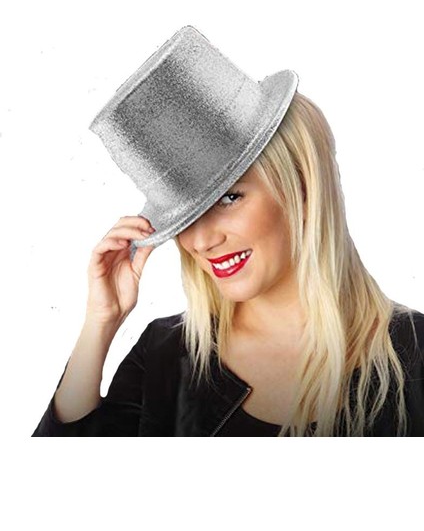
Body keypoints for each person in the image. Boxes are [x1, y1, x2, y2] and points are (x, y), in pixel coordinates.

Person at [32, 91, 424, 437]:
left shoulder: (415, 350)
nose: (201, 241)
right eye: (186, 213)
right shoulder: (167, 354)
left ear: (303, 189)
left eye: (229, 198)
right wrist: (100, 323)